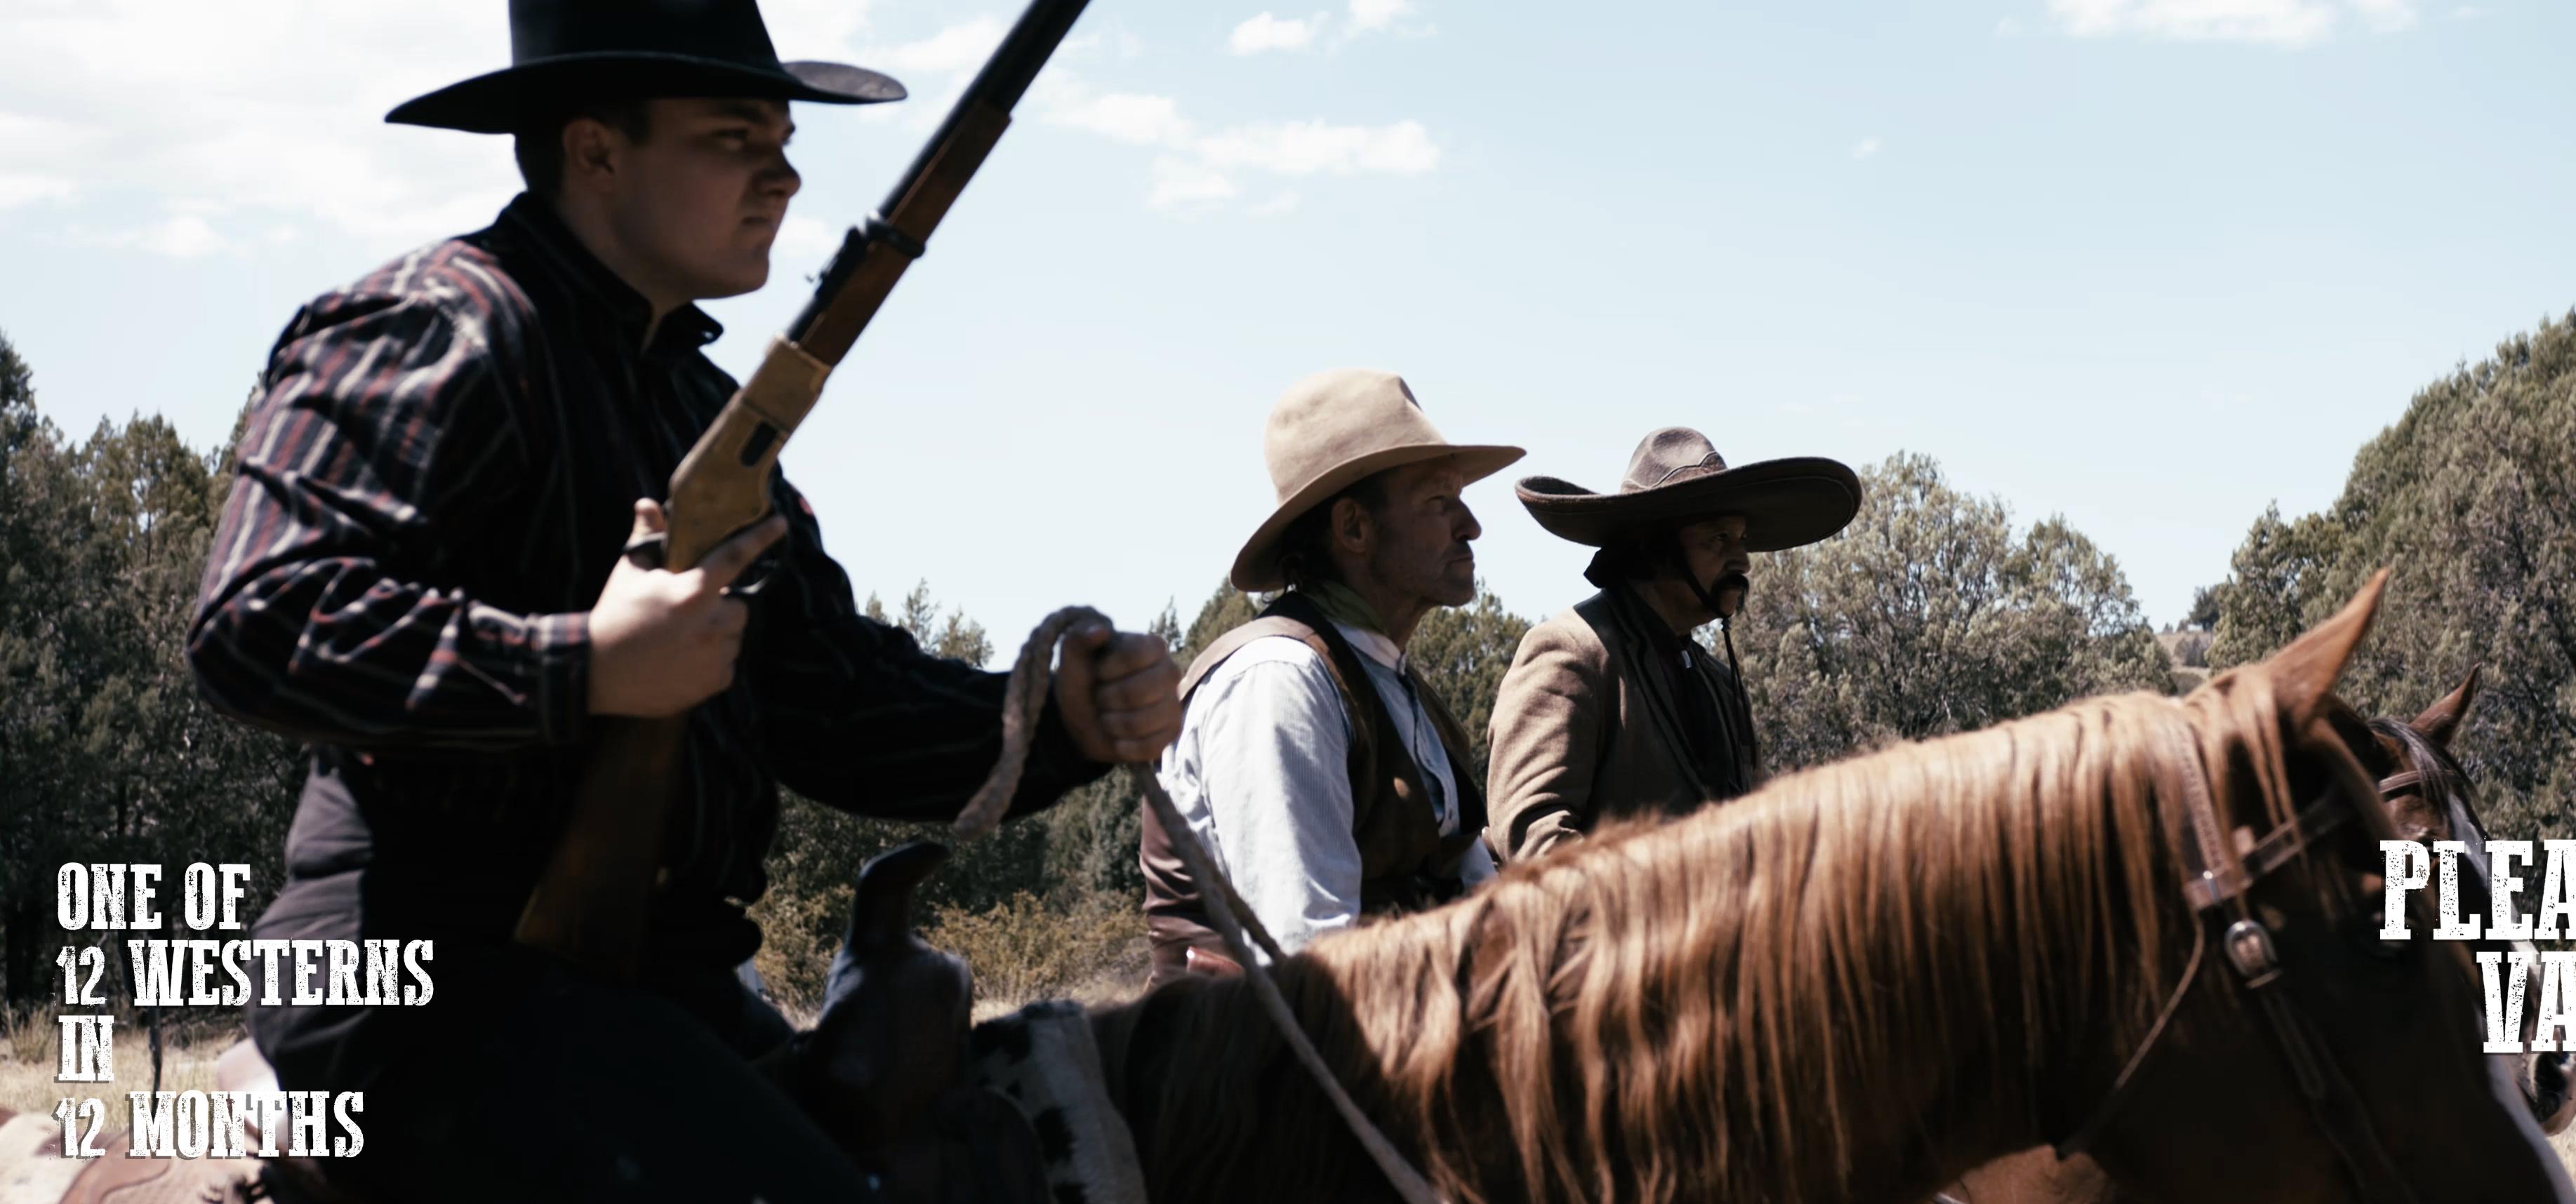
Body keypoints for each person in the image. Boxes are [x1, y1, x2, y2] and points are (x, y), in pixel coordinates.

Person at [183, 2, 1180, 1198]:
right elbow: (257, 619)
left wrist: (1054, 721)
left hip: (650, 993)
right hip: (424, 990)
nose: (787, 172)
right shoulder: (437, 320)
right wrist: (581, 665)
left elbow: (836, 701)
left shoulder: (696, 405)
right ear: (597, 149)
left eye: (781, 135)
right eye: (734, 135)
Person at [1138, 369, 1523, 978]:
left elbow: (1478, 895)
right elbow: (1313, 958)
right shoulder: (1278, 681)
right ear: (1354, 529)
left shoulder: (1389, 680)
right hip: (1257, 1065)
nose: (1470, 525)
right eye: (1438, 501)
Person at [1487, 427, 1861, 861]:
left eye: (1741, 540)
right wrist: (1676, 908)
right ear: (1655, 548)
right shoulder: (1570, 654)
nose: (1743, 561)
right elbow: (1533, 841)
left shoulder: (1718, 684)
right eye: (1719, 539)